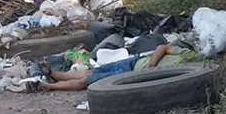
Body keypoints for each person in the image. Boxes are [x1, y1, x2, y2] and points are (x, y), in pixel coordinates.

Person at [40, 43, 196, 92]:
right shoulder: (187, 55)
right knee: (93, 70)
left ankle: (49, 86)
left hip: (133, 75)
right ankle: (54, 73)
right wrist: (152, 65)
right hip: (134, 62)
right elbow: (162, 47)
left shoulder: (191, 74)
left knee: (88, 80)